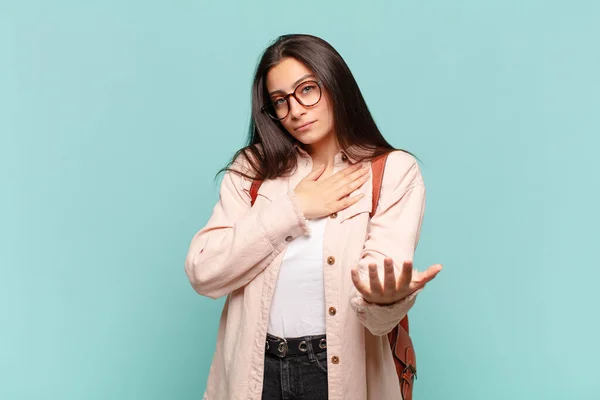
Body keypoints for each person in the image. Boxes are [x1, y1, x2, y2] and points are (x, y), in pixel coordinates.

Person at [184, 33, 443, 400]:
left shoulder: (392, 171)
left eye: (307, 89)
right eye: (280, 101)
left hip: (334, 372)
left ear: (335, 84)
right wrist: (296, 208)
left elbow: (376, 318)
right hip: (255, 371)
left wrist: (387, 300)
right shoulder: (252, 168)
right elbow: (203, 272)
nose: (295, 110)